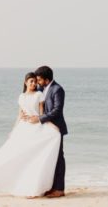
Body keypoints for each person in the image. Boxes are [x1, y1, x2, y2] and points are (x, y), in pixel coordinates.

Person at [0, 71, 63, 197]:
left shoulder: (39, 94)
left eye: (35, 81)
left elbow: (42, 113)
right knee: (16, 155)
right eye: (31, 81)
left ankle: (34, 187)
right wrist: (14, 129)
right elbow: (19, 114)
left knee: (34, 155)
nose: (34, 83)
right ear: (25, 82)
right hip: (23, 128)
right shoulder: (21, 97)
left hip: (36, 126)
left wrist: (51, 125)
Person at [24, 65, 67, 198]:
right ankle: (50, 187)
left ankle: (59, 189)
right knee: (46, 157)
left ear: (46, 79)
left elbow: (57, 110)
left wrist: (39, 118)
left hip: (56, 129)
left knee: (58, 158)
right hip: (44, 129)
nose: (37, 82)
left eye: (39, 79)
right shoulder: (42, 88)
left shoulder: (58, 90)